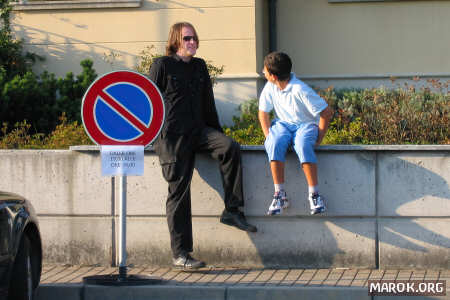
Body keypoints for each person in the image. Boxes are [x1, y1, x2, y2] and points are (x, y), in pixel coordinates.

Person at [148, 22, 257, 270]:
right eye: (187, 38)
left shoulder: (199, 66)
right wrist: (152, 137)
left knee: (229, 147)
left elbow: (208, 102)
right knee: (179, 193)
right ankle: (181, 253)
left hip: (199, 132)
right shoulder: (162, 65)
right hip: (172, 137)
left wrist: (216, 132)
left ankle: (232, 210)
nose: (192, 43)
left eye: (195, 38)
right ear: (176, 40)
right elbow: (148, 100)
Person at [258, 51, 333, 216]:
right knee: (274, 142)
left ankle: (314, 195)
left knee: (302, 144)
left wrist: (319, 138)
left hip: (305, 124)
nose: (263, 72)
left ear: (273, 76)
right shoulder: (270, 87)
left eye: (265, 71)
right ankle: (280, 194)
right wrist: (268, 136)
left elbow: (326, 112)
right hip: (283, 124)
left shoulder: (300, 89)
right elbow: (263, 112)